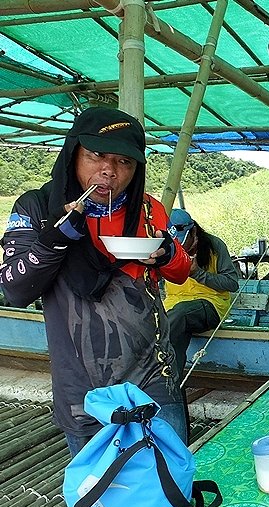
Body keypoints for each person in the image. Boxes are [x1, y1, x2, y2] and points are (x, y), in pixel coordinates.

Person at [0, 107, 191, 454]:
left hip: (154, 375)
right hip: (83, 391)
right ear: (74, 153)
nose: (109, 171)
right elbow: (14, 288)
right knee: (101, 497)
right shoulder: (38, 208)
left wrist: (167, 254)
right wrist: (55, 238)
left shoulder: (147, 211)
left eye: (124, 162)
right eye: (97, 156)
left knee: (170, 485)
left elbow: (180, 273)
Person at [163, 208, 239, 379]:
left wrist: (198, 273)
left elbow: (232, 283)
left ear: (194, 231)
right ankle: (168, 380)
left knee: (180, 315)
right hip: (172, 309)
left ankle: (169, 378)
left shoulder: (214, 245)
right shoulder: (165, 248)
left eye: (183, 242)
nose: (180, 247)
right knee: (159, 322)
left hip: (210, 304)